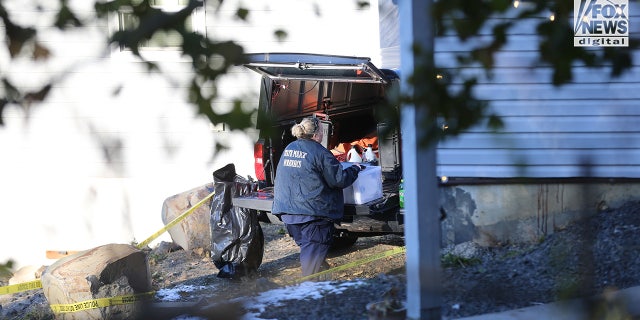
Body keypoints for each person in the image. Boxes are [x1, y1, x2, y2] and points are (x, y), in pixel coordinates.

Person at [272, 116, 363, 277]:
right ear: (316, 134)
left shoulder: (289, 148)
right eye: (322, 130)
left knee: (311, 253)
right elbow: (339, 179)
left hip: (288, 214)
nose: (323, 133)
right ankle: (310, 293)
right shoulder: (321, 153)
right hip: (313, 216)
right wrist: (355, 168)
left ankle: (321, 282)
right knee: (312, 259)